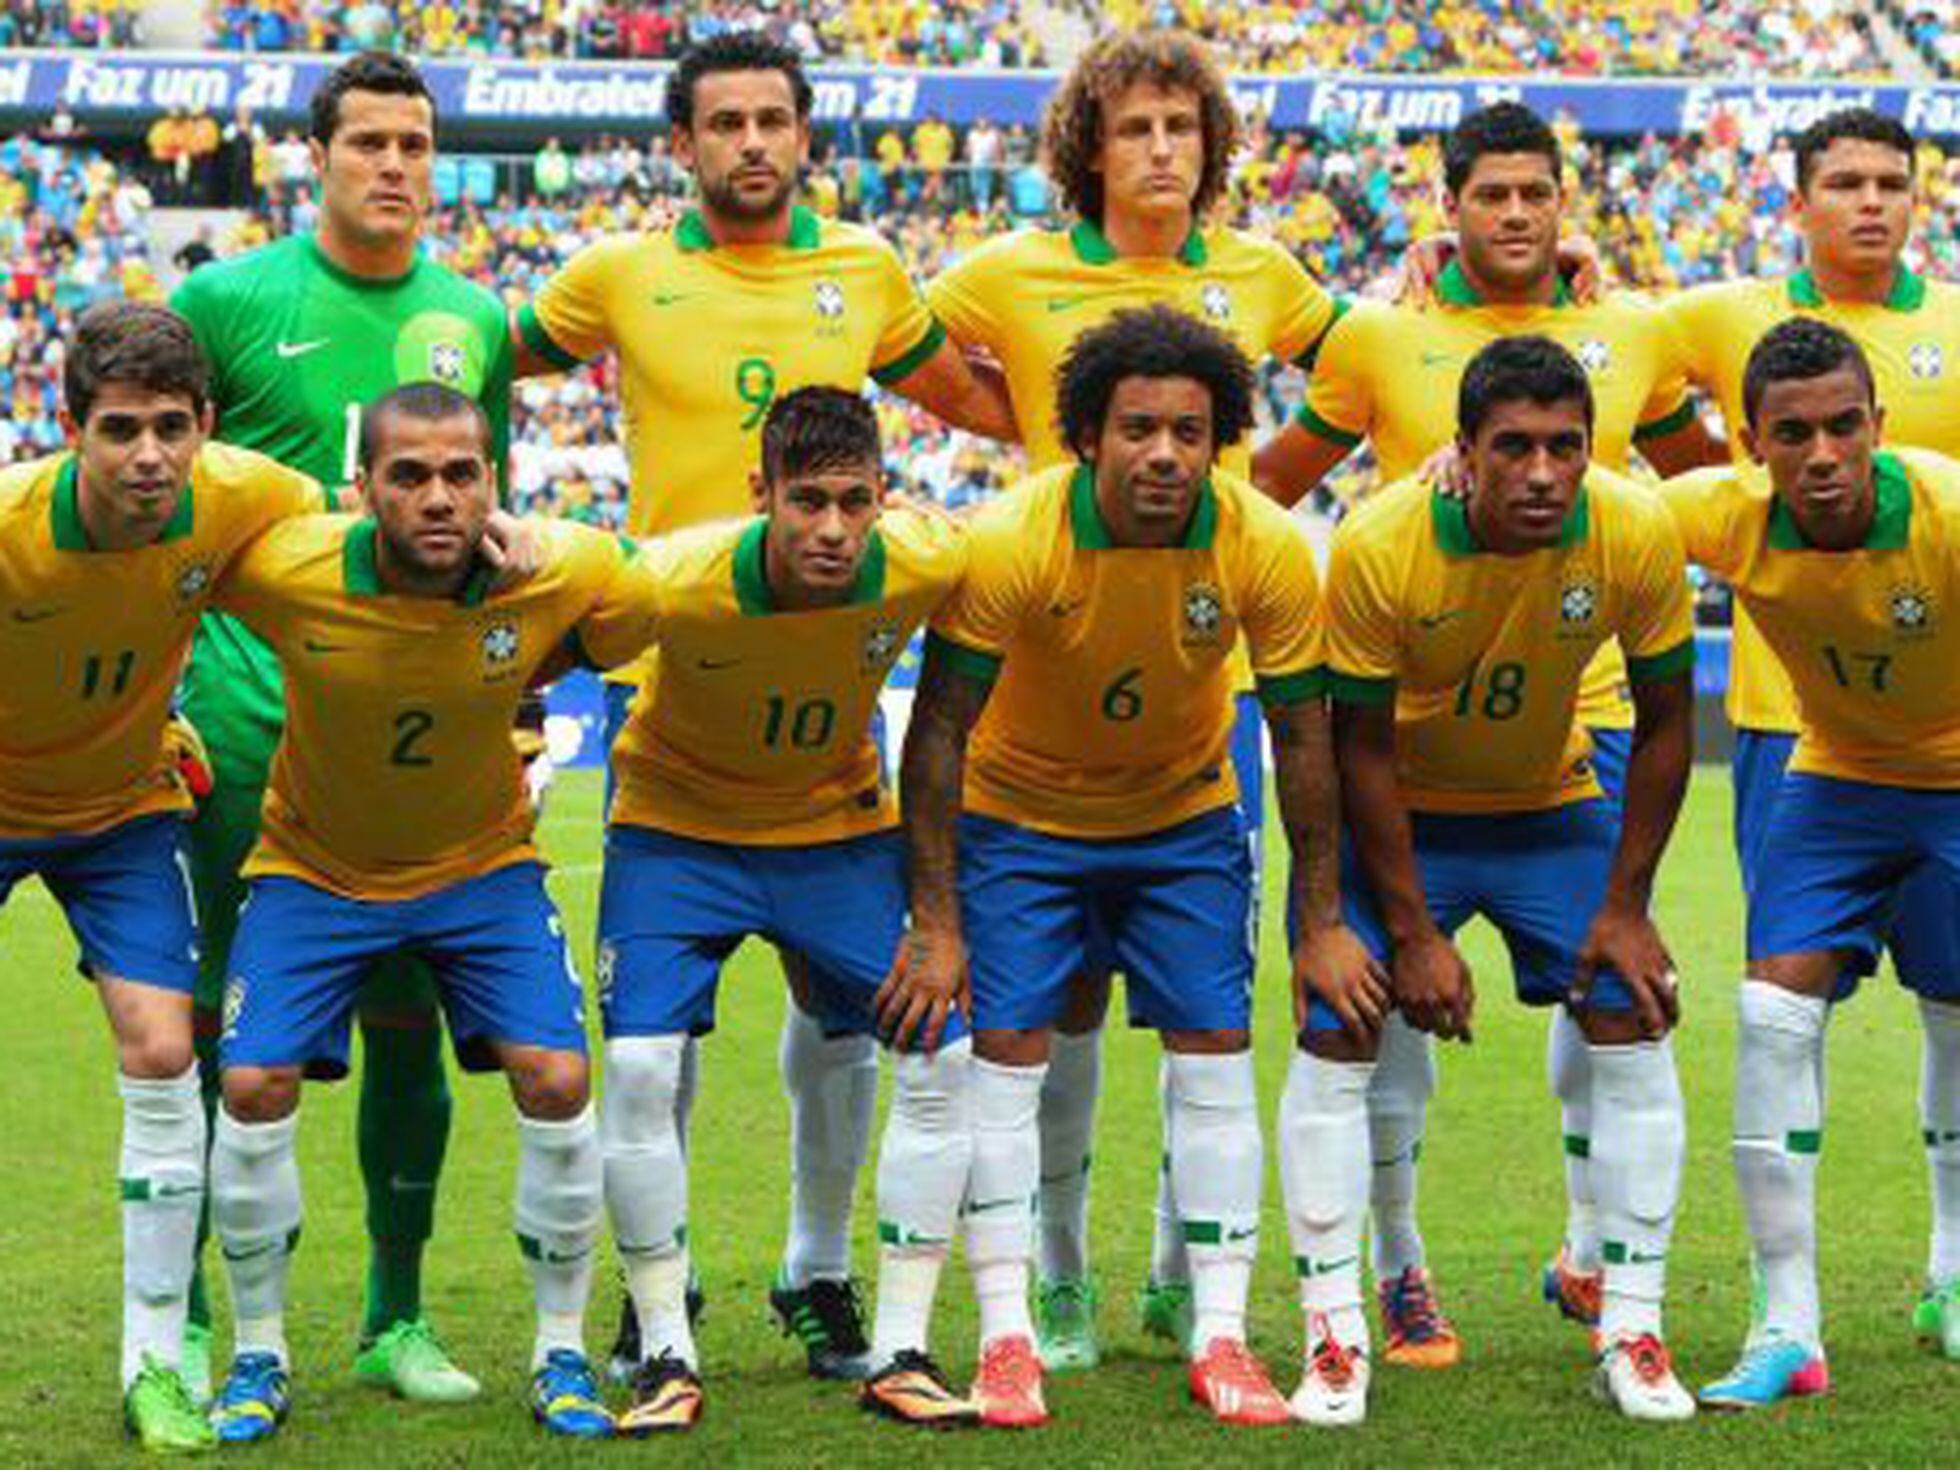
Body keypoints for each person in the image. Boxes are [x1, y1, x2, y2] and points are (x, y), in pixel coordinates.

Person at [511, 30, 1015, 1383]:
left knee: (845, 1015)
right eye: (723, 121)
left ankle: (819, 1266)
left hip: (826, 693)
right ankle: (652, 1299)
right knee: (655, 1045)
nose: (750, 141)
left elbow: (980, 404)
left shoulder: (866, 269)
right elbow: (466, 369)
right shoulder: (617, 273)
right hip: (666, 671)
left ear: (804, 136)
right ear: (683, 142)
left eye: (773, 119)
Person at [1253, 100, 1724, 1367]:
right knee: (1384, 1010)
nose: (1515, 217)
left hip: (1588, 712)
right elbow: (1267, 490)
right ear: (1446, 206)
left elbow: (1709, 480)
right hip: (1410, 711)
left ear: (1564, 206)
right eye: (1491, 197)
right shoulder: (1381, 336)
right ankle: (1395, 1273)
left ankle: (1591, 1251)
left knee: (1605, 1000)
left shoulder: (1633, 331)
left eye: (1536, 197)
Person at [923, 28, 1341, 1367]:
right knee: (1071, 1013)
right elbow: (905, 353)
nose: (1164, 151)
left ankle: (1182, 1274)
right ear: (1088, 149)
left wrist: (1261, 480)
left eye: (1185, 129)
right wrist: (1026, 444)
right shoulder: (1006, 272)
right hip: (1050, 665)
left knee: (1204, 1006)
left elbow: (1369, 362)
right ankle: (1058, 1277)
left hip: (1194, 686)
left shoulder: (1264, 275)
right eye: (1137, 128)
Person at [202, 382, 657, 1445]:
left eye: (462, 473)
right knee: (252, 1081)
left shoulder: (561, 565)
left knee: (558, 1075)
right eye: (408, 475)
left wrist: (554, 582)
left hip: (481, 868)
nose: (438, 497)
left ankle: (559, 1352)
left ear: (495, 482)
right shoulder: (289, 566)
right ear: (362, 489)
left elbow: (632, 599)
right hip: (313, 869)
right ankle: (257, 1353)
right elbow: (172, 579)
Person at [169, 50, 518, 1406]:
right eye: (368, 141)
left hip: (412, 737)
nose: (394, 165)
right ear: (319, 156)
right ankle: (199, 1309)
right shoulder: (225, 299)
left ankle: (394, 1311)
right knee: (211, 1033)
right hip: (246, 728)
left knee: (407, 1018)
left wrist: (512, 706)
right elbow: (167, 511)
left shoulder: (471, 318)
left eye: (415, 143)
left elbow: (485, 530)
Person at [1301, 335, 1698, 1424]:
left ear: (1587, 451)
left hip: (1548, 812)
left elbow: (1667, 722)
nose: (1539, 472)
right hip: (1409, 821)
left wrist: (1625, 908)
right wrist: (1412, 928)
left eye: (1562, 448)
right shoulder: (1380, 541)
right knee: (1339, 1020)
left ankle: (1632, 1325)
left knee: (1637, 1005)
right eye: (1511, 447)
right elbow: (1359, 745)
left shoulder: (1631, 528)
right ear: (1462, 453)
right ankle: (1337, 1332)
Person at [596, 387, 978, 1432]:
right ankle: (663, 1341)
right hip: (675, 832)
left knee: (938, 1049)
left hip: (833, 831)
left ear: (885, 499)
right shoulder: (674, 580)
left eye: (855, 503)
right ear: (758, 493)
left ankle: (886, 1335)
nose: (831, 529)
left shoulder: (929, 559)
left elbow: (1032, 539)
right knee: (636, 1067)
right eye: (805, 501)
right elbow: (547, 611)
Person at [1660, 107, 1960, 1360]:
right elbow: (1581, 504)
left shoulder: (1944, 514)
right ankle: (1787, 1325)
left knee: (1954, 1015)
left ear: (1879, 428)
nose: (1822, 453)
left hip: (1955, 780)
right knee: (1775, 1012)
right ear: (1752, 442)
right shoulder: (1719, 512)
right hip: (1828, 776)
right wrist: (1451, 474)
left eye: (1844, 428)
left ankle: (1951, 1271)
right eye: (1793, 434)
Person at [0, 300, 323, 1455]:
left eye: (172, 429)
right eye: (121, 429)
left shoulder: (249, 494)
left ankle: (151, 1364)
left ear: (208, 427)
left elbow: (351, 545)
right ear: (70, 426)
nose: (149, 457)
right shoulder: (10, 528)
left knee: (166, 1050)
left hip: (124, 810)